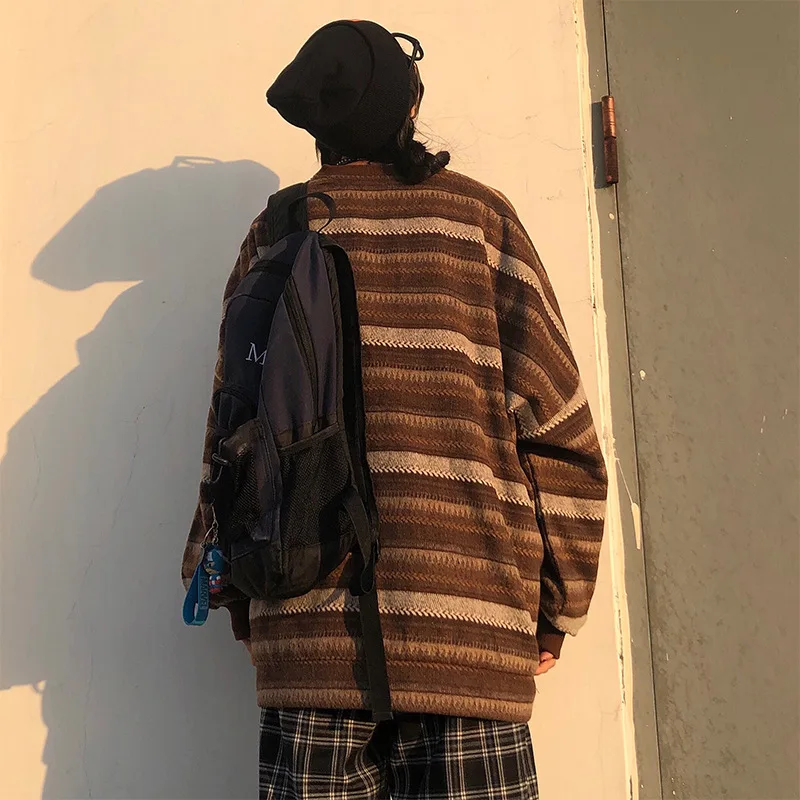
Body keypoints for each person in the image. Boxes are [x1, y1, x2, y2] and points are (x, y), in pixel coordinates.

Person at [182, 20, 608, 800]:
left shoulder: (278, 231)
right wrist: (559, 603)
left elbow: (231, 424)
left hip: (304, 622)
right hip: (469, 635)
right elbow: (560, 430)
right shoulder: (479, 223)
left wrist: (233, 587)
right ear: (408, 108)